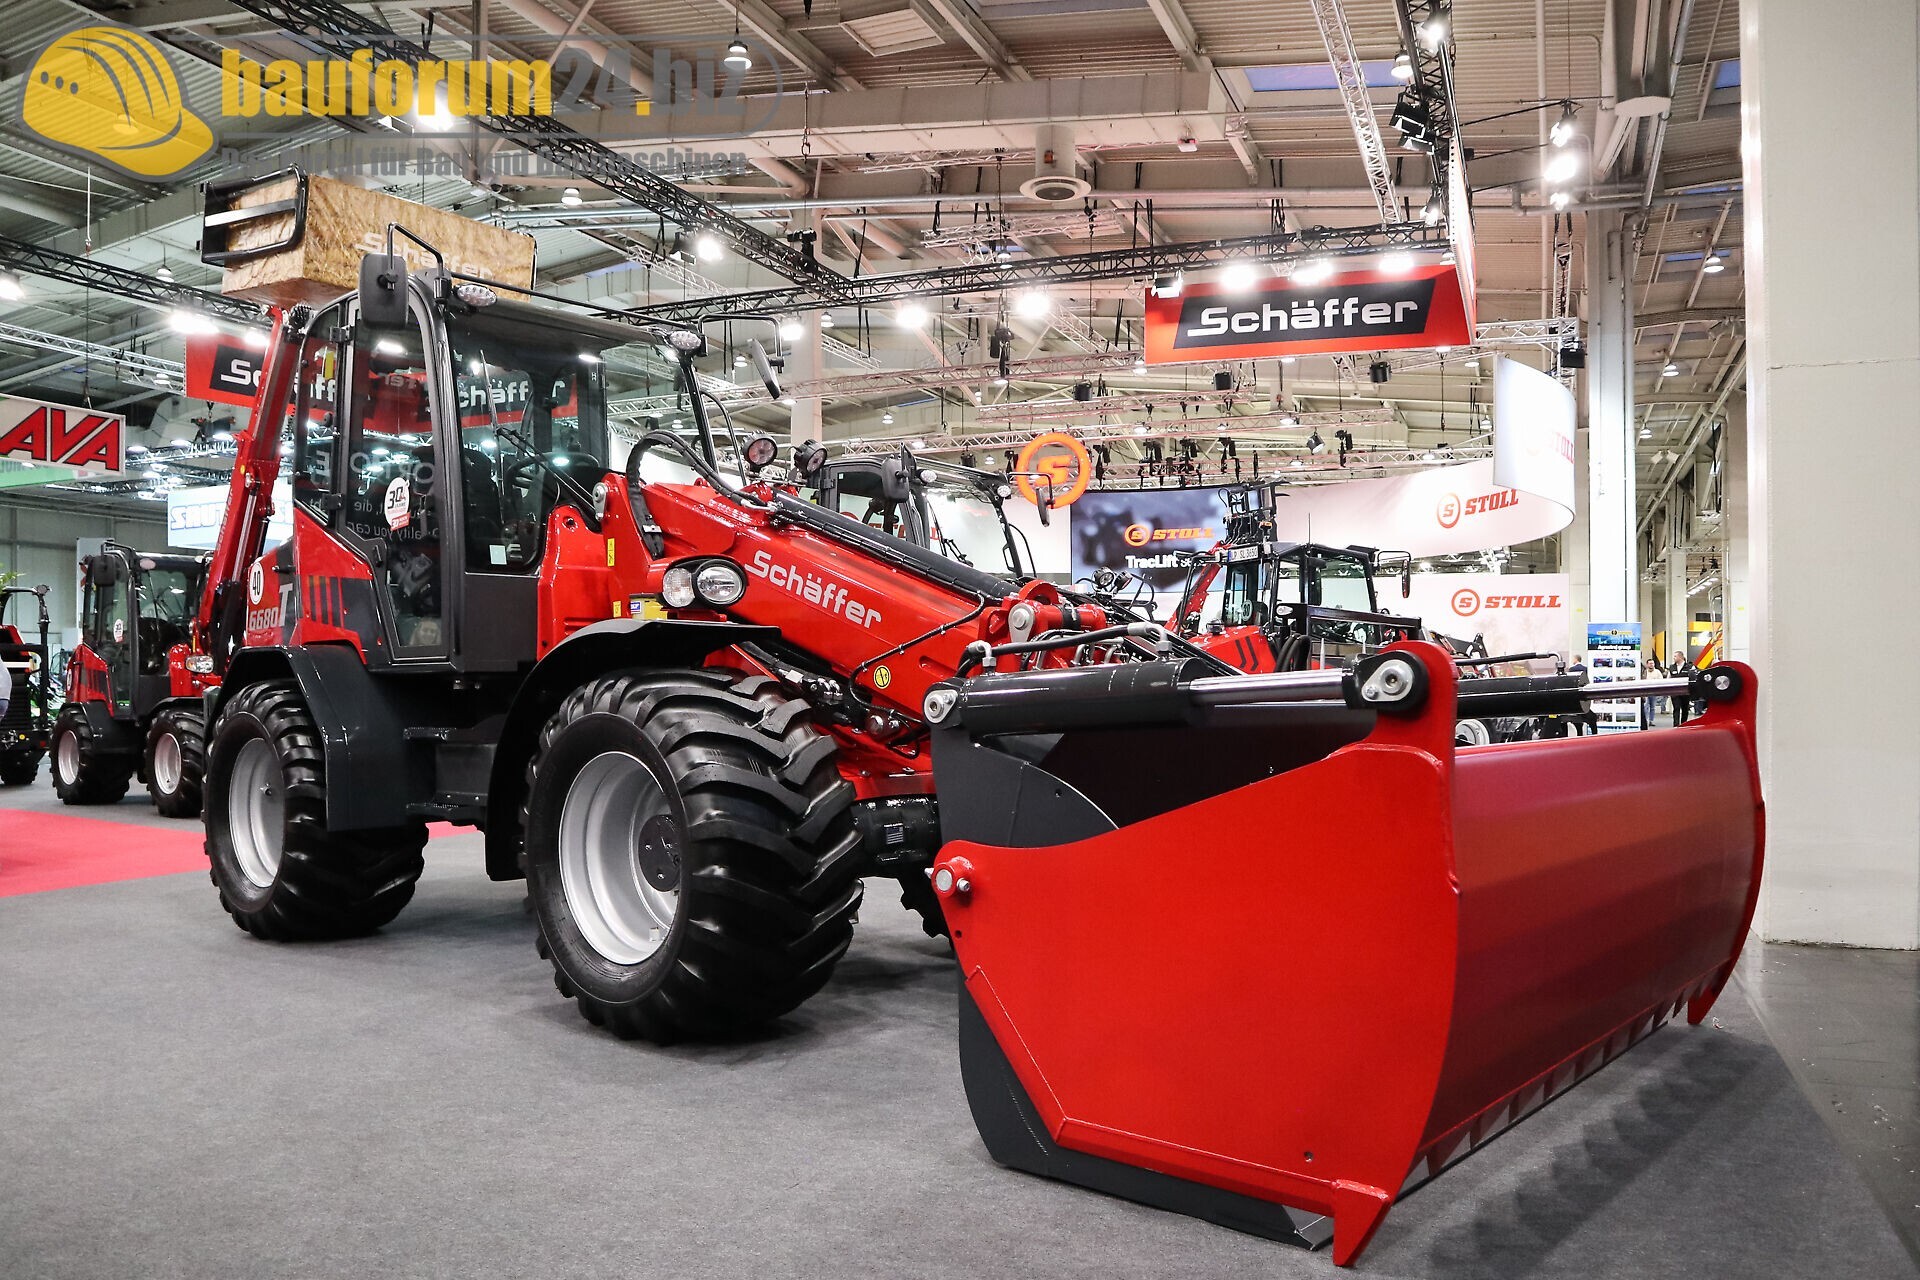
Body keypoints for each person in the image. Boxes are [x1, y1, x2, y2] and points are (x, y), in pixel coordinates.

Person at [1669, 653, 1693, 725]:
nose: (1674, 658)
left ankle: (1683, 725)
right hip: (1675, 692)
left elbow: (1693, 678)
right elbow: (1669, 678)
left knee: (1685, 709)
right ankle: (1676, 725)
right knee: (1676, 708)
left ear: (1680, 657)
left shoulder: (1689, 667)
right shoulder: (1672, 667)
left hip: (1685, 692)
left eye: (1675, 656)